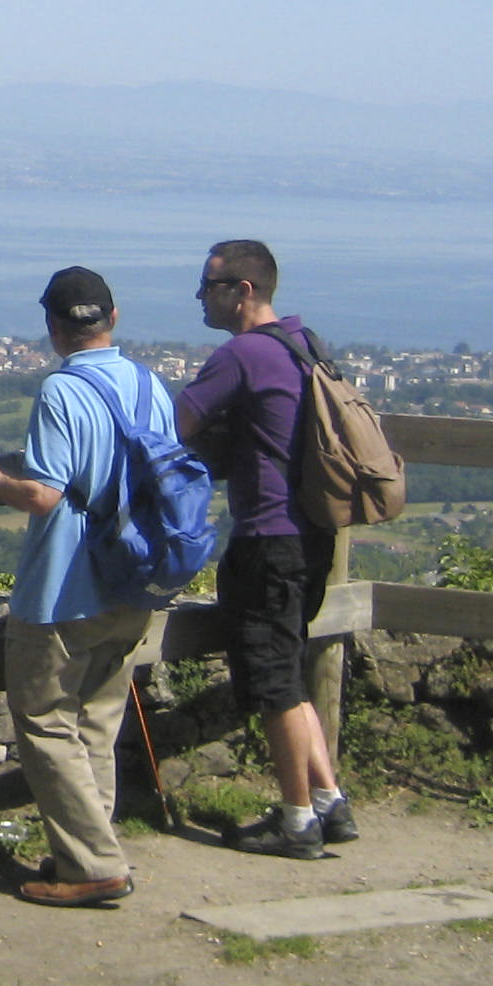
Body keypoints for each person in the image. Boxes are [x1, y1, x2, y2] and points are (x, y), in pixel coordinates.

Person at [0, 267, 164, 909]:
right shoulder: (151, 384)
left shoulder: (63, 392)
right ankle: (85, 852)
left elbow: (42, 493)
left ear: (54, 327)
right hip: (137, 578)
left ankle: (93, 864)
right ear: (113, 318)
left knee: (42, 719)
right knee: (95, 721)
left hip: (67, 585)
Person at [176, 240, 354, 859]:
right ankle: (328, 799)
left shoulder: (243, 355)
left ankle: (296, 818)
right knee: (291, 666)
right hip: (313, 533)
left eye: (209, 285)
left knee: (274, 678)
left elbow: (178, 425)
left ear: (243, 291)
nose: (200, 296)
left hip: (267, 538)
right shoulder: (306, 345)